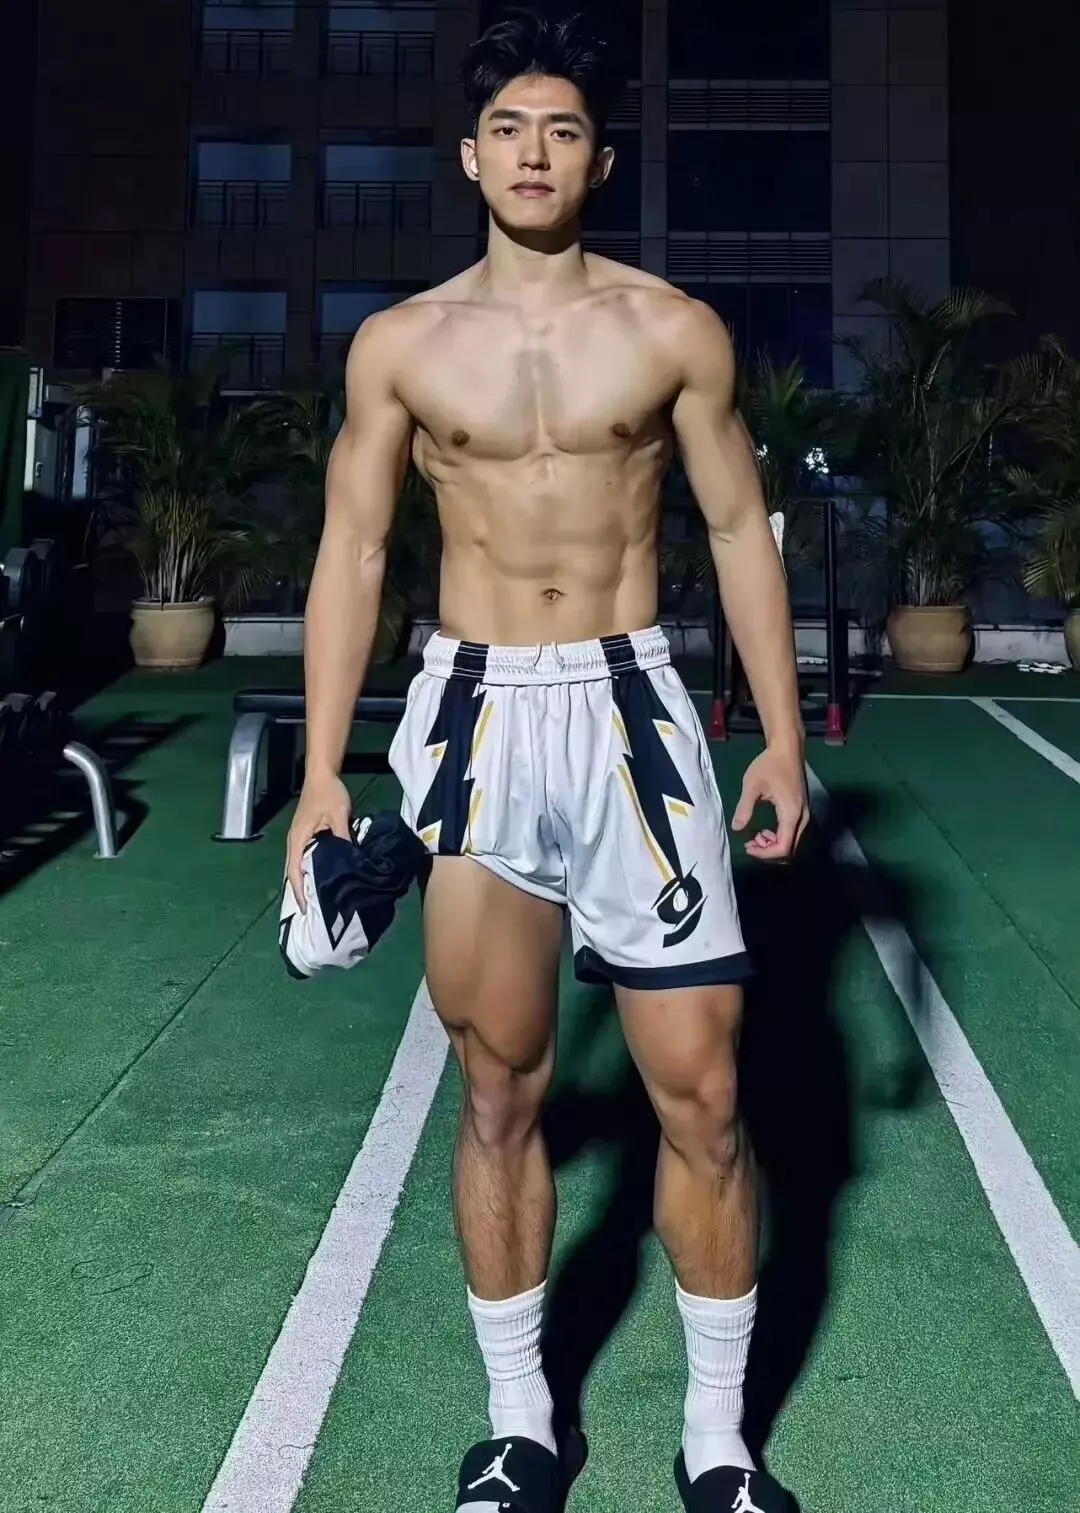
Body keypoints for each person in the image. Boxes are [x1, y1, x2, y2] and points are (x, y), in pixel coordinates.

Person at [286, 8, 809, 1509]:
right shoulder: (401, 345)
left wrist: (780, 736)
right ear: (470, 157)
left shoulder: (670, 329)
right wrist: (321, 776)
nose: (533, 153)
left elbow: (736, 529)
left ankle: (718, 1445)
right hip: (477, 717)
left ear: (601, 160)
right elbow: (356, 550)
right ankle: (522, 1429)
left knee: (703, 1093)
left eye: (562, 130)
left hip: (635, 714)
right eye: (508, 129)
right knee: (500, 1084)